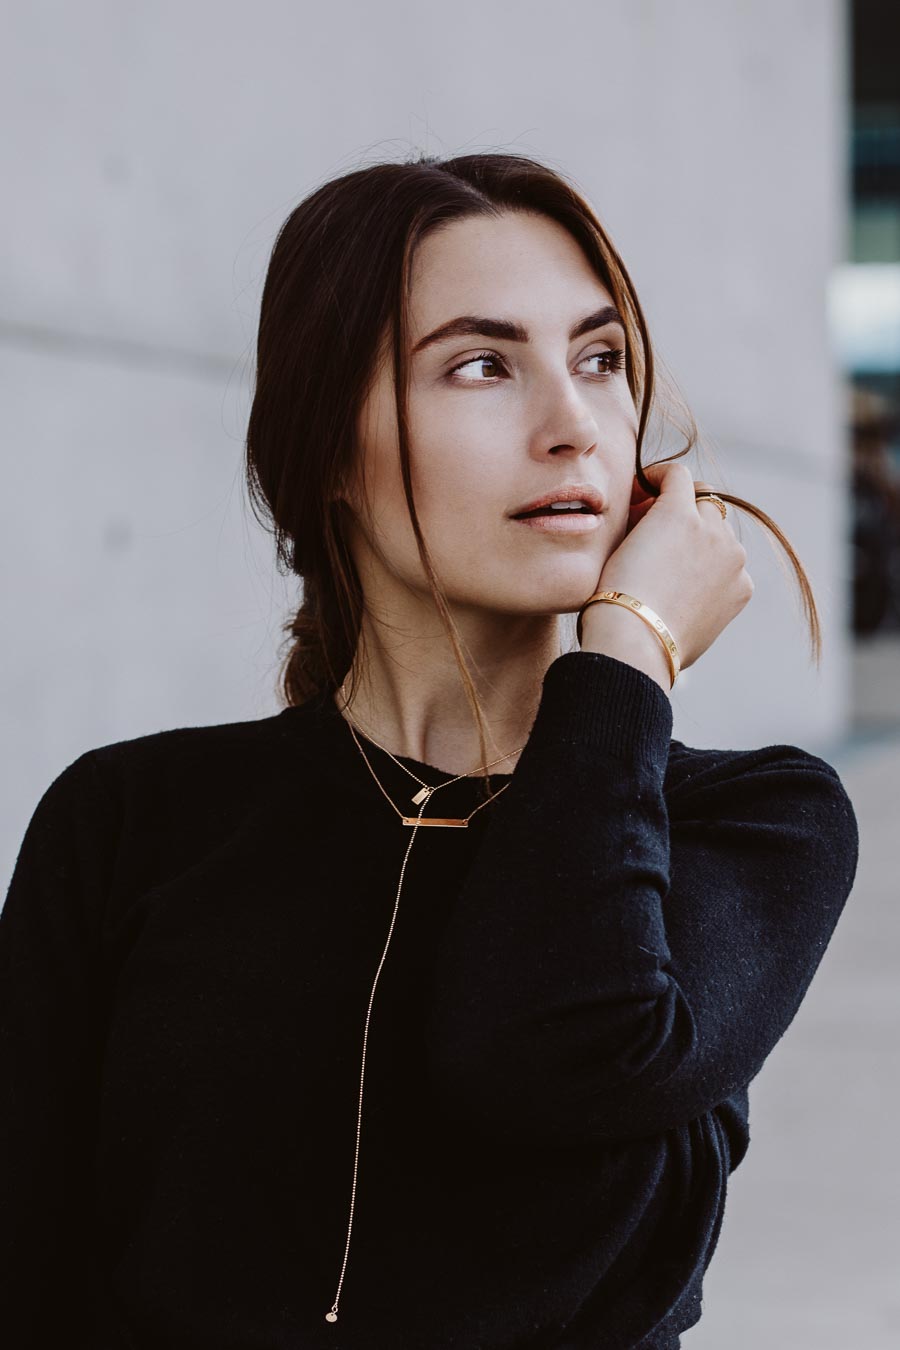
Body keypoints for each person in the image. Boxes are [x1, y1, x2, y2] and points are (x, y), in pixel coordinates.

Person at [1, 152, 860, 1350]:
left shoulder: (753, 824)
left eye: (600, 361)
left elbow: (560, 1059)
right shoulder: (129, 819)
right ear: (329, 447)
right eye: (481, 366)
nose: (575, 429)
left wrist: (624, 659)